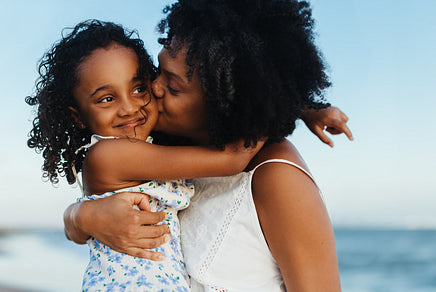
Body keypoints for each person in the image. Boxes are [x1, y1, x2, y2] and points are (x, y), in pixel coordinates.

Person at [64, 0, 350, 290]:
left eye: (174, 87)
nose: (154, 89)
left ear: (223, 101)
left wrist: (288, 105)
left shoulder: (277, 177)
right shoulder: (161, 150)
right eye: (157, 71)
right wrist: (82, 217)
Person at [26, 20, 266, 291]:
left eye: (139, 88)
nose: (128, 108)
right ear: (78, 117)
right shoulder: (110, 154)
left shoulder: (145, 146)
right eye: (107, 98)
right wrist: (284, 104)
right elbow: (232, 159)